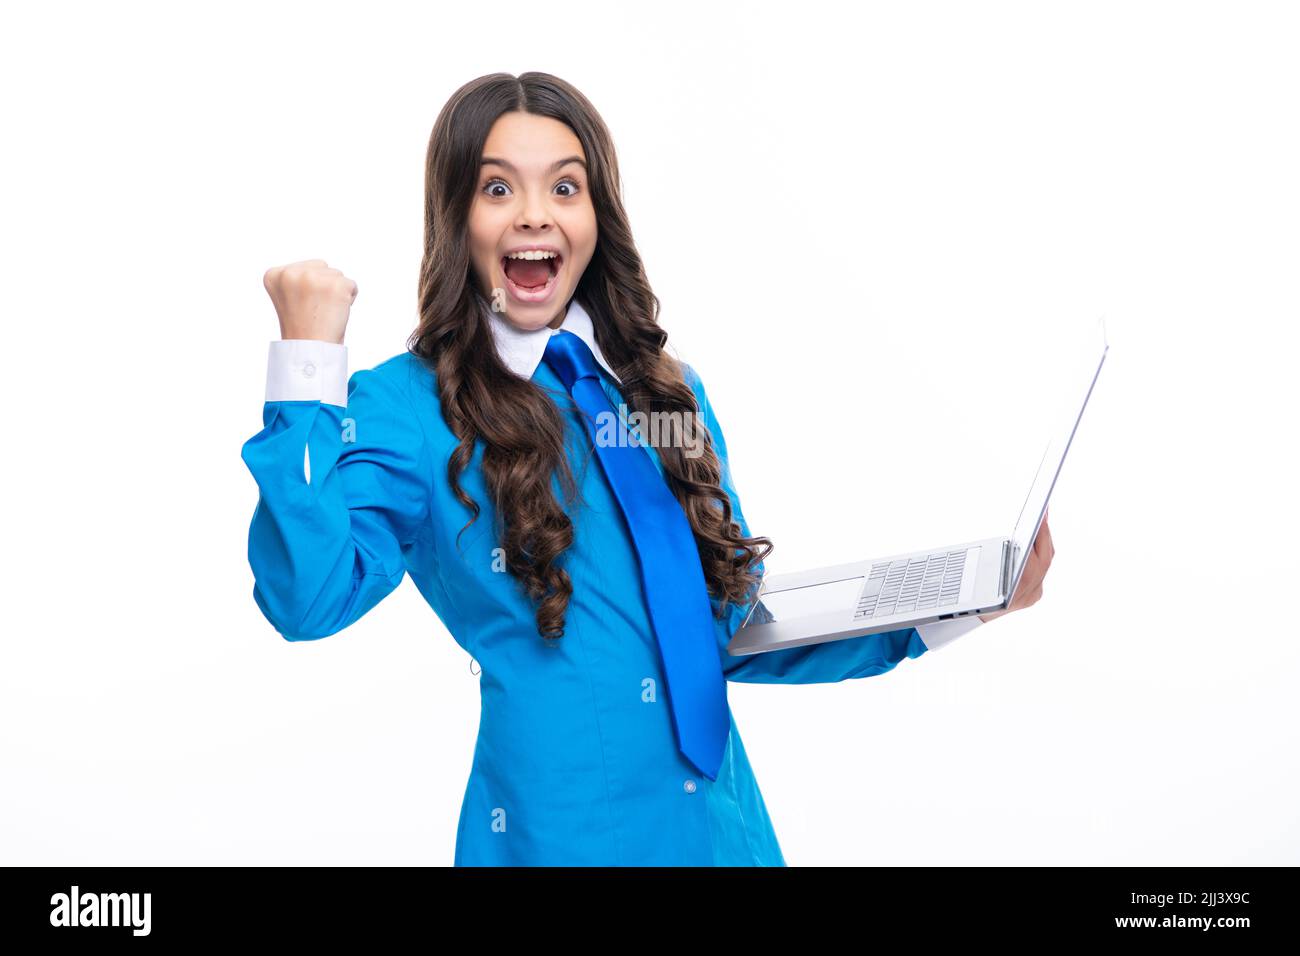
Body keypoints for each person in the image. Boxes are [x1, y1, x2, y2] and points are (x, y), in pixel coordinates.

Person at [240, 71, 1056, 866]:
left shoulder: (664, 392)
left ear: (598, 216)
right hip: (553, 839)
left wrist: (954, 606)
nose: (534, 215)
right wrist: (309, 364)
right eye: (497, 189)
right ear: (456, 216)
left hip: (721, 833)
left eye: (566, 188)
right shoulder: (409, 407)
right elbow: (307, 598)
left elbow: (717, 635)